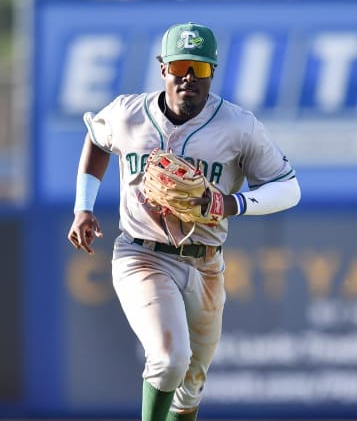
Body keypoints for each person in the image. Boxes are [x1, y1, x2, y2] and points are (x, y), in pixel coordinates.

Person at [66, 22, 300, 421]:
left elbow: (288, 188)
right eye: (180, 67)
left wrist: (232, 203)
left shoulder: (237, 126)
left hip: (206, 263)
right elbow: (97, 138)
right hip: (142, 254)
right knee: (169, 358)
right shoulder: (129, 114)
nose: (188, 78)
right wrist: (83, 207)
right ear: (163, 69)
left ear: (213, 73)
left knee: (190, 387)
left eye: (200, 69)